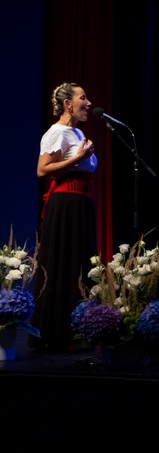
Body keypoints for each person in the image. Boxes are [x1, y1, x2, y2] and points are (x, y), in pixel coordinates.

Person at [30, 82, 98, 352]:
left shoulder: (77, 131)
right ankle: (54, 332)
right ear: (69, 103)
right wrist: (78, 157)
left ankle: (79, 331)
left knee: (80, 265)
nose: (89, 103)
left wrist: (82, 156)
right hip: (65, 204)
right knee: (63, 264)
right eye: (83, 97)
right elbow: (42, 170)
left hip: (81, 204)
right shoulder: (57, 132)